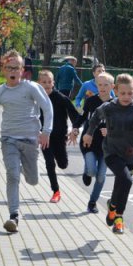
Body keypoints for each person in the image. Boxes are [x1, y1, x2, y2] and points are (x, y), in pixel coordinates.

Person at [0, 49, 53, 233]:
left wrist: (46, 132)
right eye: (9, 67)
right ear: (3, 70)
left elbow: (48, 108)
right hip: (9, 140)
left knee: (33, 180)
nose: (12, 71)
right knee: (12, 176)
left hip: (30, 141)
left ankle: (22, 168)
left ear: (22, 70)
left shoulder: (31, 88)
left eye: (16, 67)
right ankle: (13, 216)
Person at [82, 73, 133, 234]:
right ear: (116, 91)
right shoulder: (109, 107)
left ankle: (112, 205)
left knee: (121, 182)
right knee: (126, 179)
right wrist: (89, 133)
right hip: (111, 152)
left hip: (130, 154)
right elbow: (95, 118)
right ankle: (119, 218)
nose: (126, 97)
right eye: (123, 93)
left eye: (130, 93)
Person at [36, 70, 82, 203]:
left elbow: (75, 115)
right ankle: (56, 191)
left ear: (53, 83)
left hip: (60, 136)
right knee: (49, 163)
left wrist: (75, 130)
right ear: (39, 83)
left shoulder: (61, 98)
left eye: (49, 82)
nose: (46, 84)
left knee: (63, 164)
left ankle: (60, 159)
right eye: (43, 82)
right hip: (45, 137)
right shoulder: (36, 99)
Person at [71, 72, 113, 214]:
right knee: (91, 170)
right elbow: (82, 116)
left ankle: (92, 202)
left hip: (107, 146)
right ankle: (86, 172)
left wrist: (110, 131)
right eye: (99, 84)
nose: (102, 87)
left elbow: (121, 125)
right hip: (89, 143)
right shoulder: (90, 101)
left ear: (112, 86)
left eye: (106, 85)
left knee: (101, 177)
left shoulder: (116, 104)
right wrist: (75, 128)